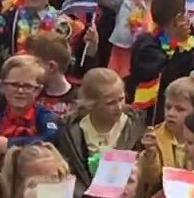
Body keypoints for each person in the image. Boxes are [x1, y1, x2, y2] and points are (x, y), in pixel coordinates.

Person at [53, 68, 145, 196]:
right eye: (110, 103)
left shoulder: (135, 126)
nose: (119, 107)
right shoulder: (70, 131)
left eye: (121, 99)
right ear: (91, 104)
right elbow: (66, 172)